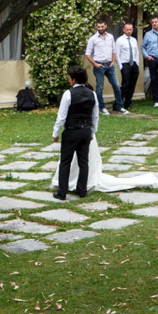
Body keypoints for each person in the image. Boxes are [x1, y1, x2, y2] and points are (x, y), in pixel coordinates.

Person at [52, 66, 99, 200]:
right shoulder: (92, 94)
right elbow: (95, 116)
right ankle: (82, 190)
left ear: (73, 80)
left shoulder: (68, 94)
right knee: (83, 161)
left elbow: (61, 116)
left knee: (65, 162)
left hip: (72, 131)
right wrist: (92, 131)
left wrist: (55, 132)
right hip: (85, 131)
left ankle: (62, 192)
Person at [85, 18, 125, 115]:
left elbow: (114, 50)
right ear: (96, 27)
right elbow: (87, 54)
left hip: (110, 66)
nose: (100, 28)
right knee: (100, 87)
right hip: (99, 66)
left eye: (102, 26)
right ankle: (102, 107)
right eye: (98, 26)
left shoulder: (110, 37)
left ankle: (119, 107)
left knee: (116, 86)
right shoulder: (93, 39)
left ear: (106, 26)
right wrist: (95, 64)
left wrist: (112, 61)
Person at [116, 21, 139, 111]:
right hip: (125, 64)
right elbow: (117, 54)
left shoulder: (134, 40)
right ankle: (119, 103)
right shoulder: (120, 40)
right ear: (123, 30)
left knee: (132, 84)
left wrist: (137, 63)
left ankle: (128, 103)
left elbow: (136, 52)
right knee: (125, 84)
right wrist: (120, 66)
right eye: (127, 29)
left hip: (133, 64)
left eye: (130, 29)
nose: (129, 31)